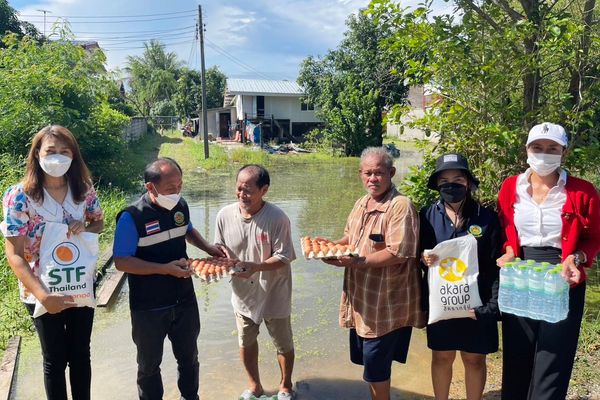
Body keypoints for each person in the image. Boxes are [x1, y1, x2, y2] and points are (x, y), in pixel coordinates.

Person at [496, 122, 600, 400]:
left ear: (564, 152)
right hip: (521, 274)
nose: (544, 153)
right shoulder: (510, 187)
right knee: (517, 352)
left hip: (562, 275)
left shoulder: (583, 191)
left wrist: (576, 258)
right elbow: (508, 230)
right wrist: (508, 250)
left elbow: (594, 238)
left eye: (552, 148)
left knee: (553, 356)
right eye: (537, 147)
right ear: (527, 150)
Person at [1, 125, 104, 400]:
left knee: (81, 353)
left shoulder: (83, 189)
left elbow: (99, 222)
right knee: (54, 358)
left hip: (80, 283)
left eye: (64, 151)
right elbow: (14, 254)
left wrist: (85, 226)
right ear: (37, 154)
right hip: (42, 289)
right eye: (50, 151)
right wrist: (44, 296)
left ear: (73, 155)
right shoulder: (19, 196)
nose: (57, 157)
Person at [113, 157, 225, 400]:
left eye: (180, 186)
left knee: (189, 358)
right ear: (150, 187)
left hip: (184, 299)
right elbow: (122, 261)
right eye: (170, 188)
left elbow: (186, 229)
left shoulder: (180, 206)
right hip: (149, 306)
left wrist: (207, 247)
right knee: (149, 366)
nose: (176, 192)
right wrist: (165, 269)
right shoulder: (132, 217)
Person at [322, 147, 426, 400]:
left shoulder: (400, 206)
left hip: (386, 305)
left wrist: (358, 262)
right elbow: (351, 237)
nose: (373, 178)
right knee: (369, 366)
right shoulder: (362, 203)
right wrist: (331, 246)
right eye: (368, 173)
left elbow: (399, 253)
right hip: (361, 300)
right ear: (360, 174)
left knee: (376, 368)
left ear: (391, 173)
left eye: (379, 173)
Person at [420, 153, 501, 400]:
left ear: (468, 182)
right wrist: (422, 257)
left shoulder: (486, 217)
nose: (451, 185)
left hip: (478, 301)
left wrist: (493, 306)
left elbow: (497, 263)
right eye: (444, 180)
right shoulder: (426, 216)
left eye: (457, 178)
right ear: (437, 184)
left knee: (474, 359)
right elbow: (415, 254)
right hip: (442, 302)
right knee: (442, 356)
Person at [214, 164, 296, 400]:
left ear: (264, 190)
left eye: (248, 190)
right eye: (239, 189)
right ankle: (255, 386)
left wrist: (257, 267)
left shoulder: (277, 218)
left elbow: (284, 256)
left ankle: (286, 386)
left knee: (283, 341)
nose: (242, 195)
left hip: (274, 290)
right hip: (242, 292)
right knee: (246, 340)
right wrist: (213, 266)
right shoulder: (224, 215)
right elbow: (219, 249)